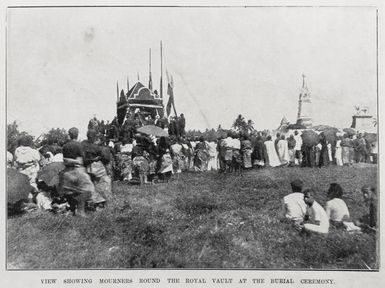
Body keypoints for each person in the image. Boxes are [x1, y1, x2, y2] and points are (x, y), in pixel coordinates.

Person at [60, 127, 94, 216]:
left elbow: (64, 159)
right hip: (78, 170)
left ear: (69, 134)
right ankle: (80, 210)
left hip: (67, 171)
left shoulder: (65, 146)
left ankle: (72, 209)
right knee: (85, 190)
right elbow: (83, 158)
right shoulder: (79, 145)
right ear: (77, 134)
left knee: (70, 191)